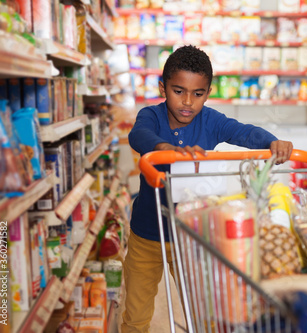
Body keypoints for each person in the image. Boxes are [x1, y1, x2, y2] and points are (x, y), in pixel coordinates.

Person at [123, 45, 293, 332]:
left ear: (208, 92)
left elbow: (243, 132)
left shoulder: (211, 120)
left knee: (201, 308)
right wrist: (162, 148)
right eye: (178, 91)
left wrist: (271, 141)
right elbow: (138, 134)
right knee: (137, 310)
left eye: (198, 94)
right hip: (146, 234)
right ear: (162, 87)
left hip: (191, 236)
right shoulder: (150, 116)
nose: (187, 102)